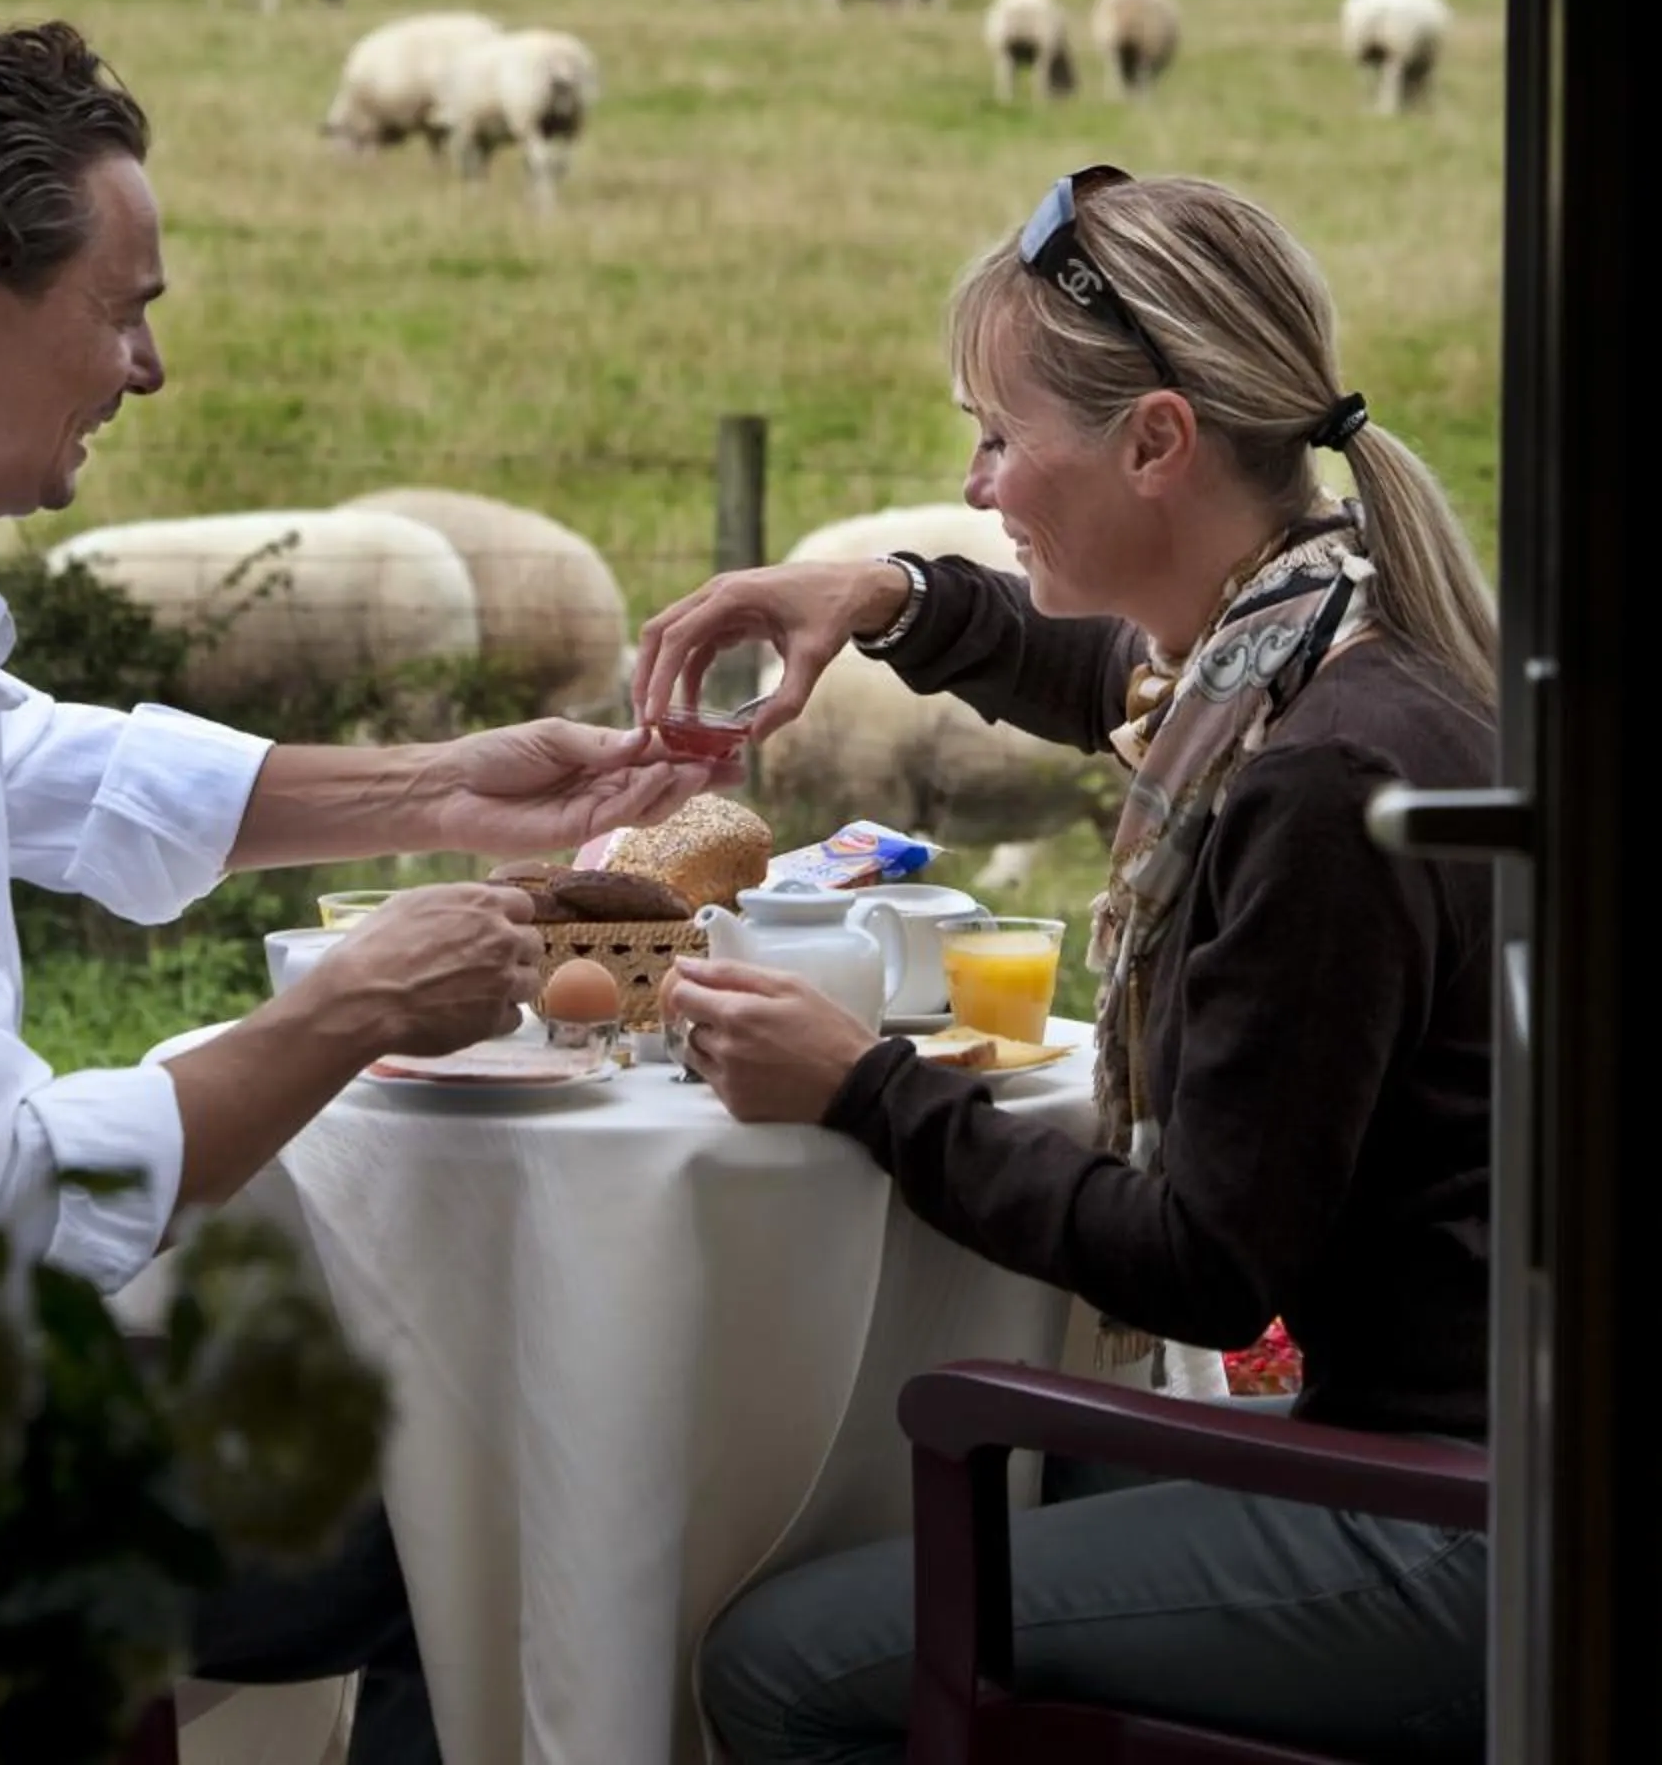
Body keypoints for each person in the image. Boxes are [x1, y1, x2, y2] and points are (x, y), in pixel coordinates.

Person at [0, 18, 730, 1763]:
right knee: (468, 1519)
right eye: (124, 308)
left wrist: (440, 791)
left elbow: (0, 756)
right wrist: (354, 1007)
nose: (148, 366)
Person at [634, 166, 1493, 1764]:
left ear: (1156, 443)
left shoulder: (1310, 782)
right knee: (1029, 1491)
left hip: (1453, 1525)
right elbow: (1102, 668)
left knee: (776, 1663)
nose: (974, 486)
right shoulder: (1333, 640)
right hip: (1487, 1460)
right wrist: (881, 595)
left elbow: (1203, 1268)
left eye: (998, 437)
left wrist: (865, 1091)